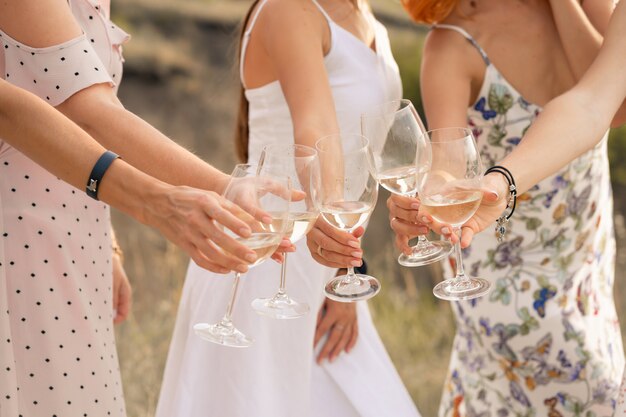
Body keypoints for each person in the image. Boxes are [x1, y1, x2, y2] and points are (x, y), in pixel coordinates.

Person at [0, 0, 297, 414]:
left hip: (77, 240)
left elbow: (89, 113)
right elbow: (84, 112)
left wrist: (108, 238)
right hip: (22, 251)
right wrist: (215, 190)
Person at [156, 1, 421, 416]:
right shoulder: (290, 8)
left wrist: (349, 268)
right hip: (265, 254)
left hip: (326, 256)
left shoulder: (368, 18)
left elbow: (361, 161)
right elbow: (318, 128)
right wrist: (336, 233)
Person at [388, 0, 623, 415]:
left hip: (586, 271)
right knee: (598, 394)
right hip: (508, 288)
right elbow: (447, 165)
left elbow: (610, 104)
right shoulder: (452, 43)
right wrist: (428, 195)